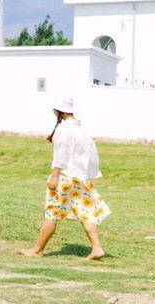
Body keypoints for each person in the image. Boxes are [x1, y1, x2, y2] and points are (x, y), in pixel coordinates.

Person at [19, 97, 111, 260]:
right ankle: (97, 247)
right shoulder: (80, 129)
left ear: (57, 112)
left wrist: (54, 176)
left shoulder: (64, 129)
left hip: (65, 177)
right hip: (79, 178)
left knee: (52, 212)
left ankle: (37, 250)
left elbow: (61, 154)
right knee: (85, 212)